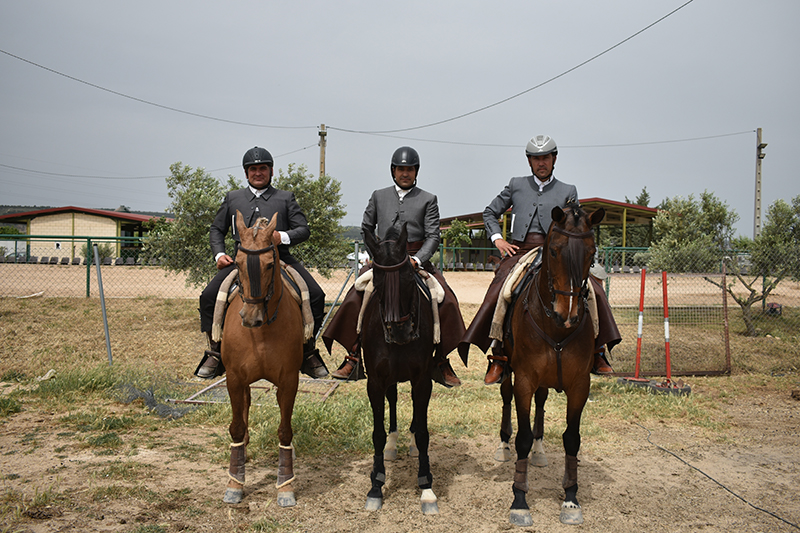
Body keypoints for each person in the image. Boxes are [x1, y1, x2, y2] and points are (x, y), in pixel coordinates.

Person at [458, 135, 621, 384]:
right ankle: (499, 355)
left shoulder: (568, 190)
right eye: (536, 158)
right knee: (501, 290)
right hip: (521, 251)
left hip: (557, 254)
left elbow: (576, 226)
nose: (541, 163)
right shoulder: (516, 184)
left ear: (554, 159)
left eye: (545, 158)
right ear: (529, 161)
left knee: (594, 290)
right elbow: (490, 212)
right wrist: (498, 239)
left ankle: (598, 351)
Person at [322, 146, 466, 387]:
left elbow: (433, 236)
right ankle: (354, 354)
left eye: (409, 169)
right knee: (356, 295)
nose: (405, 173)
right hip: (384, 261)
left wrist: (417, 259)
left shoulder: (428, 199)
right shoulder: (378, 195)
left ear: (416, 171)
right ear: (393, 171)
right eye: (401, 169)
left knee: (446, 298)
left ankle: (441, 359)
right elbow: (367, 228)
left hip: (414, 259)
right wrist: (377, 256)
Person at [194, 146, 329, 380]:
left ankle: (308, 351)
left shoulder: (285, 198)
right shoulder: (233, 198)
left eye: (262, 168)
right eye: (253, 169)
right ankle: (214, 351)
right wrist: (219, 255)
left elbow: (303, 229)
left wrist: (281, 237)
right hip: (242, 263)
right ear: (246, 173)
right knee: (208, 297)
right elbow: (217, 229)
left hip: (280, 260)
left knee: (316, 295)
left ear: (271, 171)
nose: (258, 173)